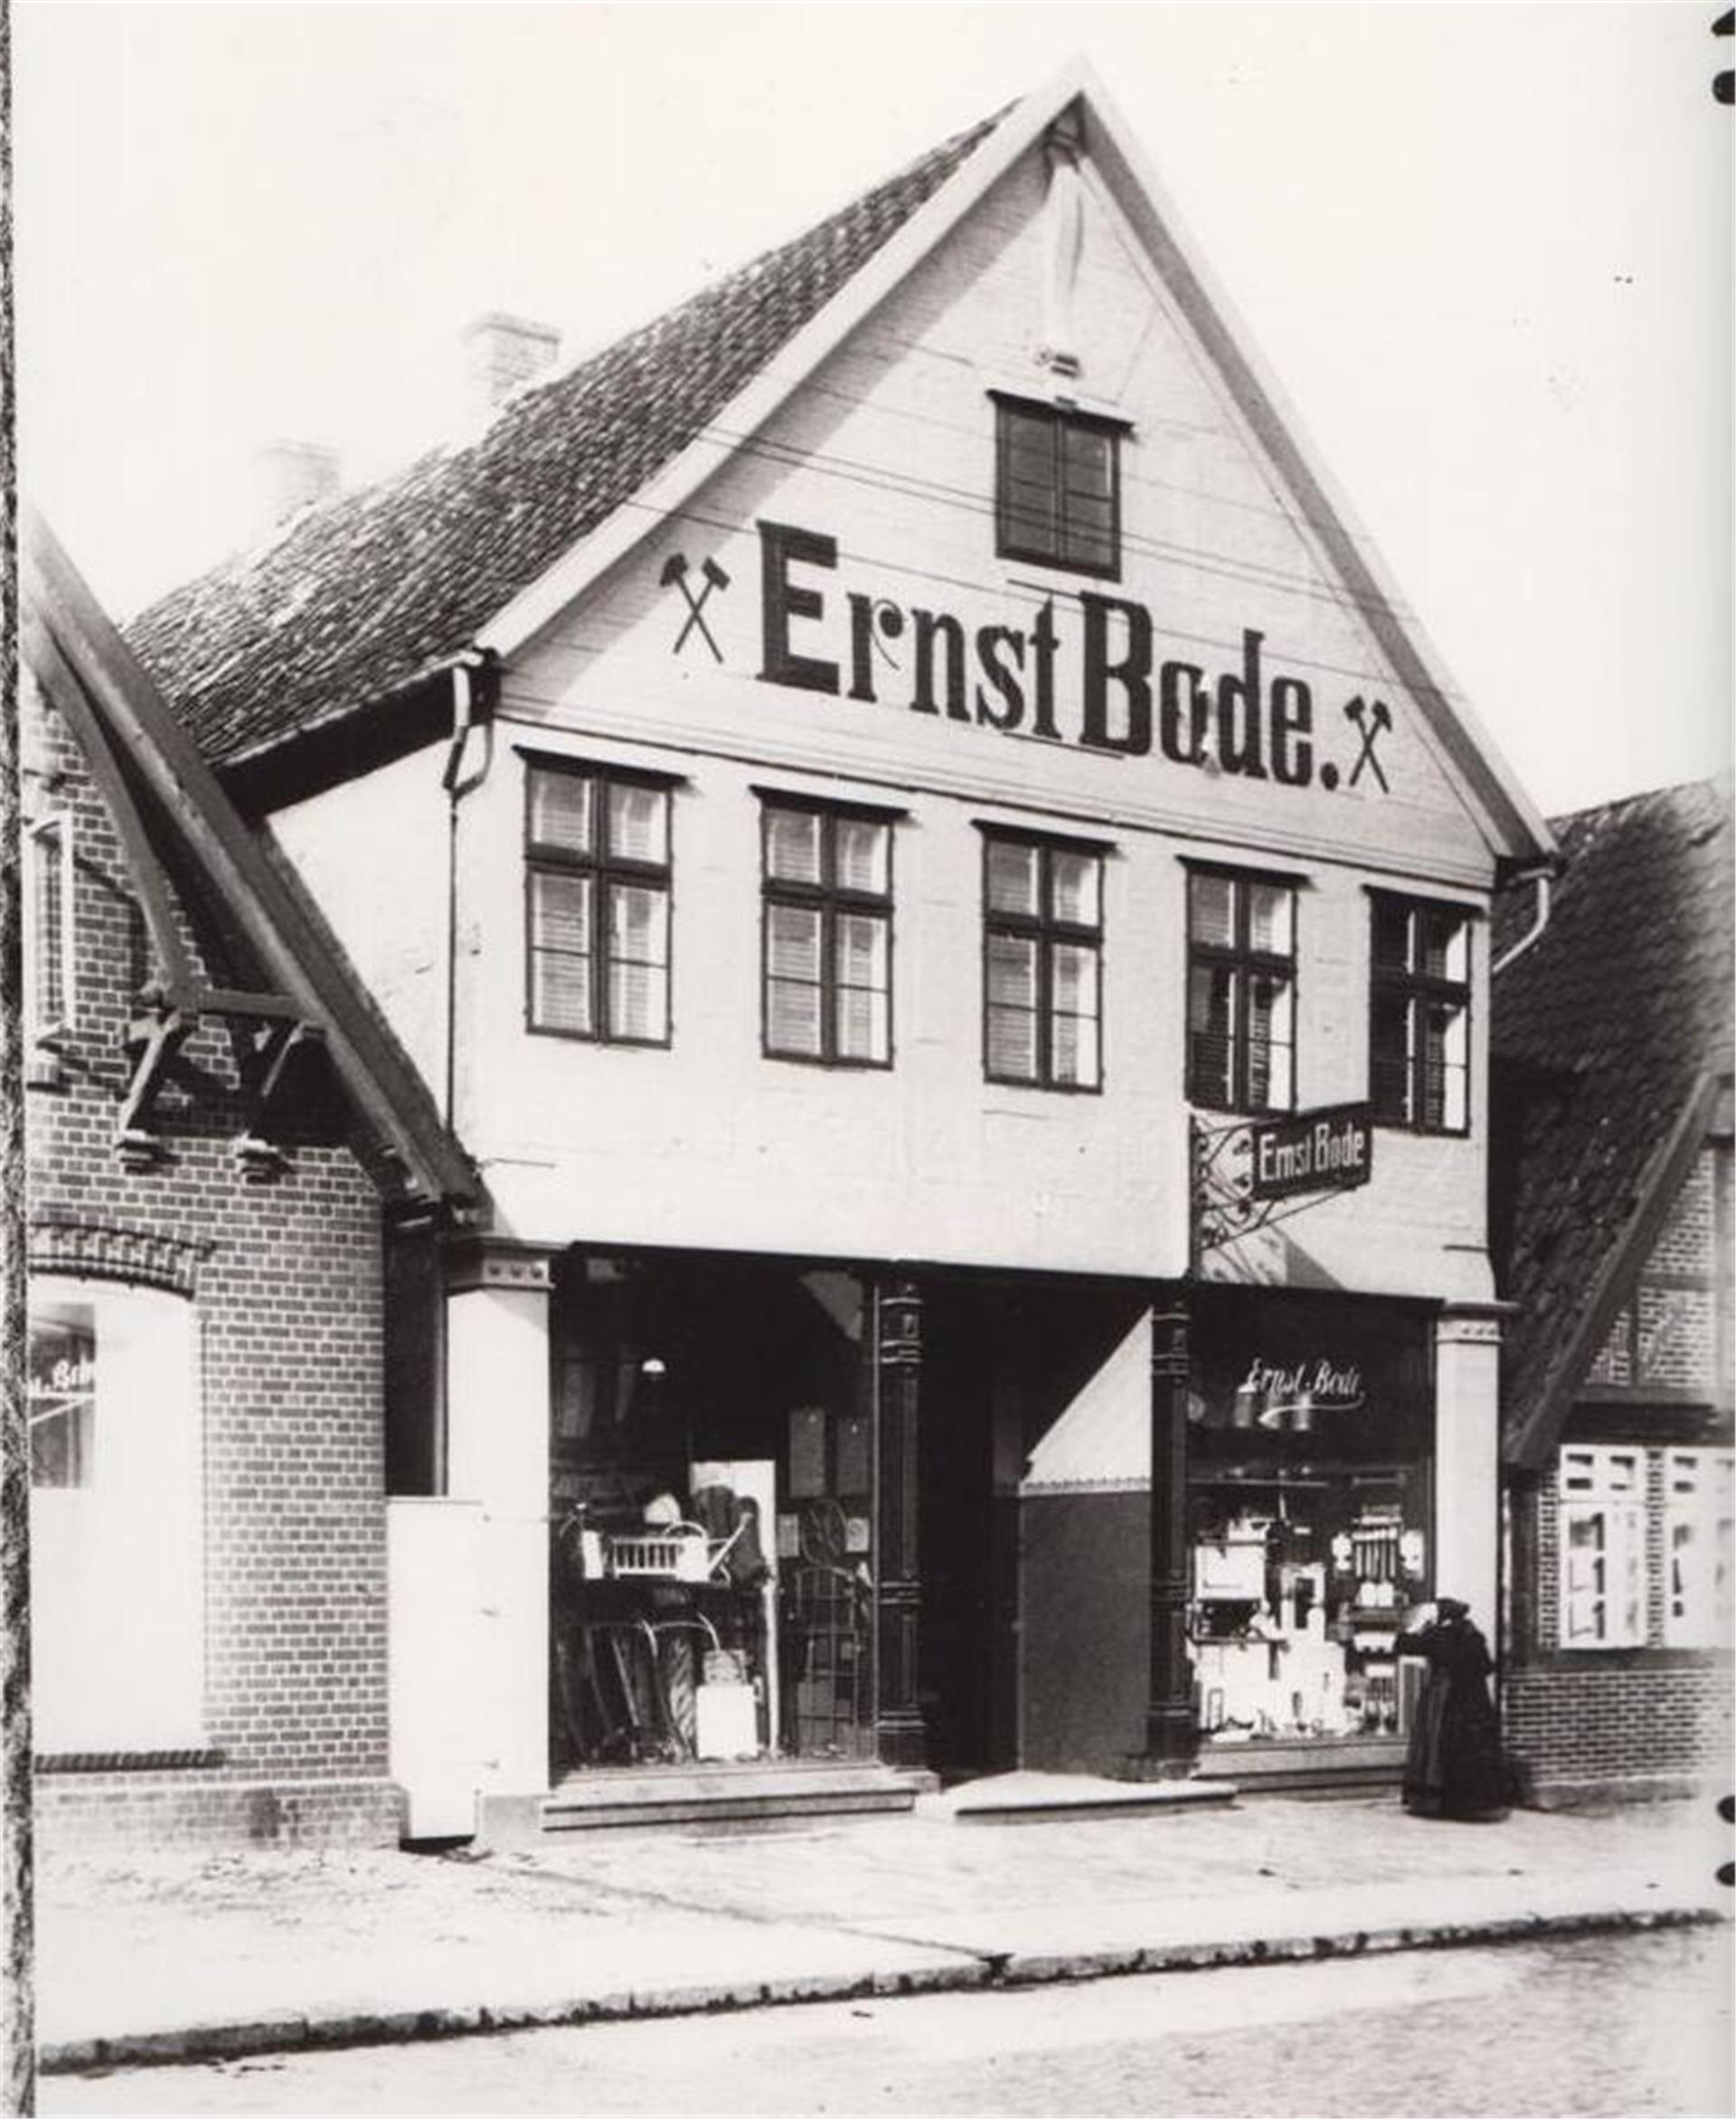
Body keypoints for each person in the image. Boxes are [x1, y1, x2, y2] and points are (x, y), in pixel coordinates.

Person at [1397, 1597, 1511, 1821]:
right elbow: (1487, 1666)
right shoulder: (1474, 1635)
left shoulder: (1440, 1635)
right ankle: (1475, 1802)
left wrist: (1414, 1627)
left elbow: (1403, 1645)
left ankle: (1441, 1802)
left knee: (1440, 1745)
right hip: (1474, 1700)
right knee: (1471, 1747)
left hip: (1446, 1697)